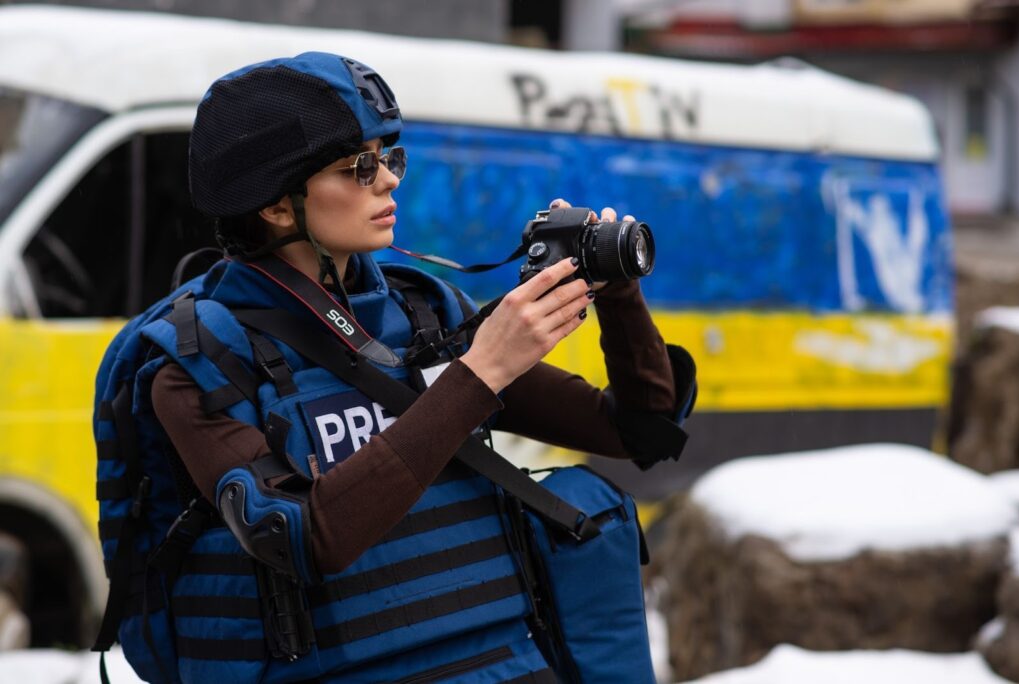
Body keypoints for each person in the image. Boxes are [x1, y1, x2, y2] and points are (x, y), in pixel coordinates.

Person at [108, 52, 693, 683]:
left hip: (497, 665)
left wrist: (617, 290)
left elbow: (639, 432)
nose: (387, 180)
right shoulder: (197, 358)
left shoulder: (423, 312)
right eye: (358, 167)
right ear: (276, 207)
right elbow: (303, 537)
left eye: (388, 157)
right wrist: (480, 374)